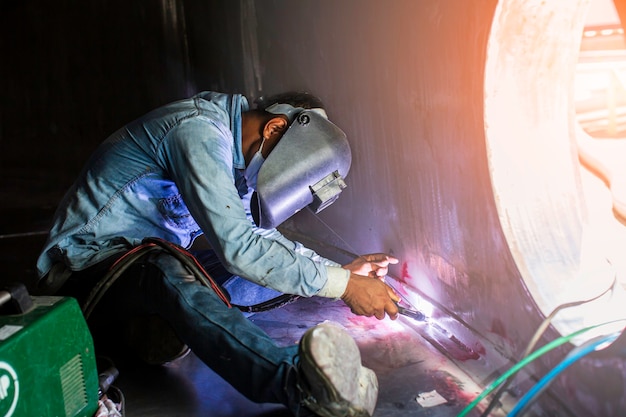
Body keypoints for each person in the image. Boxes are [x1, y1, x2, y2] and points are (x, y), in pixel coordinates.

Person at [34, 90, 401, 417]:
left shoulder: (238, 159)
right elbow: (238, 246)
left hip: (135, 291)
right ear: (274, 129)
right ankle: (301, 385)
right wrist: (344, 287)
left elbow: (259, 241)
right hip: (82, 286)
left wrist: (344, 273)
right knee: (164, 267)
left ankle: (159, 329)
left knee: (222, 265)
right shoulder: (197, 132)